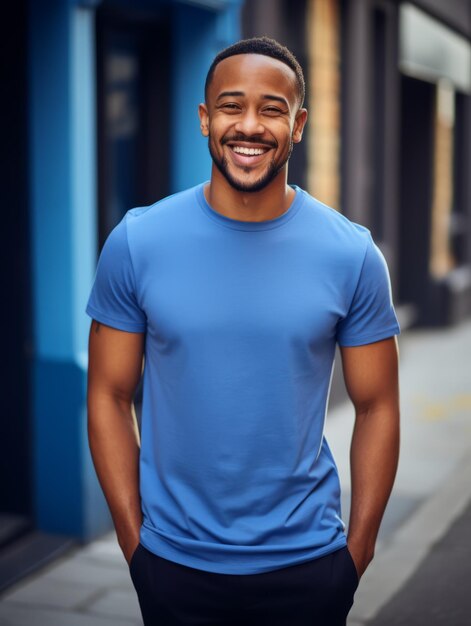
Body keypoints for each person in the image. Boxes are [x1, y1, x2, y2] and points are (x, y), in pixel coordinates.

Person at [86, 36, 400, 626]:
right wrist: (137, 550)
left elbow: (379, 405)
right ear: (205, 118)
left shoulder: (351, 255)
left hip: (309, 567)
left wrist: (356, 555)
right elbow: (107, 394)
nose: (249, 126)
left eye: (272, 109)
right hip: (173, 565)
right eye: (231, 106)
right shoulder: (137, 242)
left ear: (298, 124)